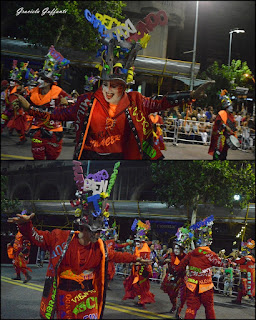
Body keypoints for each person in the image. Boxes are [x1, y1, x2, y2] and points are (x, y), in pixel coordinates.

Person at [14, 32, 214, 160]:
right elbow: (58, 114)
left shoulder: (135, 100)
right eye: (109, 84)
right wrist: (29, 109)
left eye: (118, 85)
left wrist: (191, 95)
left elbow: (160, 102)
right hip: (90, 156)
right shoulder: (87, 101)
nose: (113, 89)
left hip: (121, 157)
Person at [7, 173, 151, 320]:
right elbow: (38, 237)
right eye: (94, 231)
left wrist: (137, 259)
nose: (97, 235)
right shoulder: (61, 238)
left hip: (88, 297)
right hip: (66, 296)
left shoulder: (100, 246)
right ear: (84, 227)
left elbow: (117, 256)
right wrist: (26, 225)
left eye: (99, 232)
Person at [11, 46, 71, 159]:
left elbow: (73, 103)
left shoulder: (58, 92)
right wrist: (17, 103)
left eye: (42, 79)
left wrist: (67, 103)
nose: (39, 81)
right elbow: (23, 101)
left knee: (52, 158)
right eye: (39, 78)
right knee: (37, 156)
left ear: (49, 82)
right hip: (37, 130)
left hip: (54, 131)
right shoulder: (33, 92)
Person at [175, 216, 229, 319]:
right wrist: (228, 261)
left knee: (191, 308)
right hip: (206, 286)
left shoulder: (191, 254)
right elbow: (221, 264)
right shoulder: (211, 255)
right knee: (209, 308)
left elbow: (179, 267)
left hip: (192, 286)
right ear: (209, 241)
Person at [123, 219, 155, 308]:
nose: (137, 243)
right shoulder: (138, 248)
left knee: (141, 285)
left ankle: (142, 300)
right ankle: (145, 298)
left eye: (139, 241)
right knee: (137, 285)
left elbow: (144, 262)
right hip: (137, 269)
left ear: (142, 242)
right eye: (136, 241)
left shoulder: (145, 249)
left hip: (143, 270)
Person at [160, 241, 187, 319]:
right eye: (175, 248)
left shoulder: (186, 257)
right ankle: (174, 306)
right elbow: (160, 261)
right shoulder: (169, 255)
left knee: (182, 297)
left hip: (181, 278)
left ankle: (178, 313)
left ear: (182, 250)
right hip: (170, 278)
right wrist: (165, 260)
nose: (176, 250)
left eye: (178, 248)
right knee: (171, 295)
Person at [208, 90, 238, 160]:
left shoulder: (231, 116)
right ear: (226, 106)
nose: (232, 108)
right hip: (220, 135)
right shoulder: (222, 113)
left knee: (224, 154)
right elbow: (218, 122)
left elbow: (233, 126)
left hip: (227, 136)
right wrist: (225, 126)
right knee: (218, 152)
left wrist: (236, 130)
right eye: (230, 106)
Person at [6, 219, 32, 283]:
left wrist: (23, 252)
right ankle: (18, 276)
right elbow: (16, 239)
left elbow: (28, 243)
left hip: (21, 252)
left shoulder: (25, 233)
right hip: (16, 251)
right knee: (15, 264)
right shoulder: (19, 233)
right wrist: (11, 244)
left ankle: (27, 276)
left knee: (21, 265)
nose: (17, 226)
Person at [232, 239, 255, 305]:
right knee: (243, 286)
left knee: (244, 286)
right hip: (250, 273)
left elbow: (239, 261)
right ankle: (238, 299)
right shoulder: (251, 258)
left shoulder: (247, 257)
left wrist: (234, 258)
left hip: (247, 274)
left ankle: (241, 299)